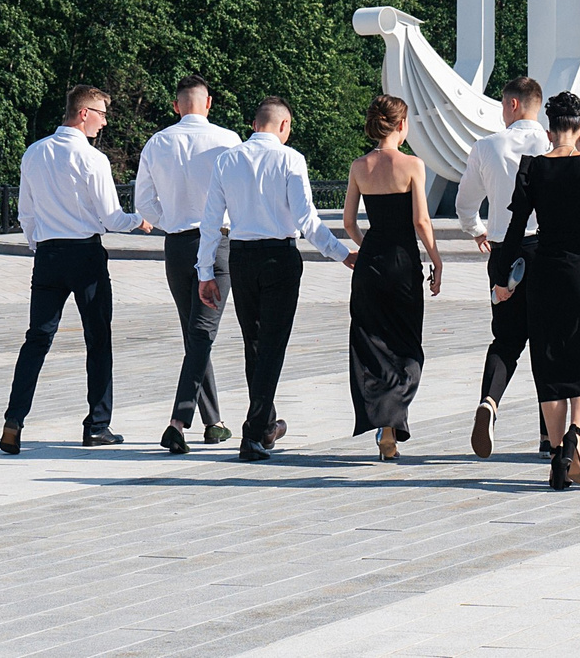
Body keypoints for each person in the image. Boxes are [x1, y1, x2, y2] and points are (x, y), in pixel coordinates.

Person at [492, 90, 580, 489]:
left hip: (545, 275)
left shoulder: (533, 169)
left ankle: (557, 453)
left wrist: (501, 278)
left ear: (549, 130)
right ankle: (578, 435)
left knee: (550, 364)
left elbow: (515, 228)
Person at [197, 97, 355, 463]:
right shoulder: (290, 159)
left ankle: (265, 422)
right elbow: (307, 220)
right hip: (279, 257)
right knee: (271, 344)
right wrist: (342, 253)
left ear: (255, 124)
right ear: (283, 126)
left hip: (241, 256)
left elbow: (209, 221)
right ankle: (252, 435)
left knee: (254, 343)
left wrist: (206, 272)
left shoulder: (228, 160)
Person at [0, 85, 145, 454]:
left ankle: (13, 421)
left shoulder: (34, 153)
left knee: (37, 339)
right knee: (98, 339)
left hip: (48, 255)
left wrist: (40, 244)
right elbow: (111, 218)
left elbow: (26, 213)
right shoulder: (92, 159)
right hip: (85, 254)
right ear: (83, 113)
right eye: (101, 113)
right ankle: (97, 425)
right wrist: (141, 220)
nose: (104, 122)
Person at [134, 73, 242, 455]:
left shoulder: (158, 142)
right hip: (218, 244)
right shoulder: (229, 141)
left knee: (195, 334)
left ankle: (214, 422)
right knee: (201, 334)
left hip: (177, 244)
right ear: (208, 103)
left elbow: (144, 205)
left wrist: (173, 221)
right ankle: (179, 421)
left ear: (176, 105)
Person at [456, 75, 552, 459]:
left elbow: (465, 203)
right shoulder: (550, 144)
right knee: (547, 341)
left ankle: (490, 402)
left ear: (513, 104)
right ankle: (550, 434)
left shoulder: (486, 146)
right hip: (544, 250)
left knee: (507, 339)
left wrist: (477, 230)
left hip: (502, 251)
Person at [345, 94, 442, 460]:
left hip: (371, 263)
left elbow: (350, 223)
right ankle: (392, 422)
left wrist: (368, 244)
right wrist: (436, 259)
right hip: (403, 264)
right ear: (401, 126)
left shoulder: (359, 166)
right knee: (406, 345)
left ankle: (386, 423)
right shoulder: (413, 165)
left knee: (372, 343)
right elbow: (420, 221)